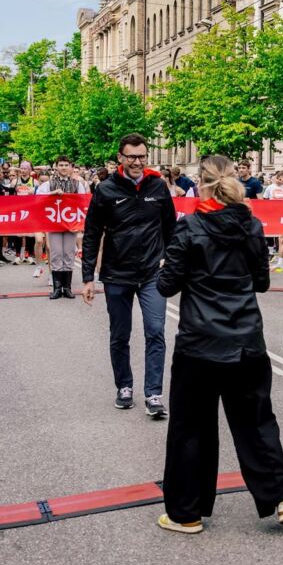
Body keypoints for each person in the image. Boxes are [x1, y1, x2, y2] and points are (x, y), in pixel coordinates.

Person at [155, 155, 283, 533]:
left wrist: (171, 267)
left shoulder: (190, 227)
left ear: (200, 185)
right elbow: (262, 282)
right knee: (257, 424)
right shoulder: (250, 224)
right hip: (245, 339)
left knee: (191, 429)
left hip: (199, 343)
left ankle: (186, 513)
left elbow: (166, 285)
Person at [81, 133, 177, 418]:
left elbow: (171, 229)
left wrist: (171, 261)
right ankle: (124, 386)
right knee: (120, 335)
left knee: (156, 332)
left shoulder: (158, 186)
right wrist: (88, 277)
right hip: (117, 274)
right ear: (120, 158)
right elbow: (91, 233)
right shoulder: (105, 190)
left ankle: (154, 394)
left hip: (152, 273)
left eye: (142, 156)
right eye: (132, 157)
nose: (137, 162)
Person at [36, 156, 87, 300]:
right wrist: (51, 194)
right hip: (54, 223)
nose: (64, 167)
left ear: (70, 167)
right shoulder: (48, 184)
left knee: (69, 254)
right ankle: (57, 288)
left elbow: (83, 202)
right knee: (57, 253)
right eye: (61, 165)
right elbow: (37, 198)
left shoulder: (78, 184)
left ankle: (67, 288)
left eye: (66, 165)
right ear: (56, 167)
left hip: (71, 224)